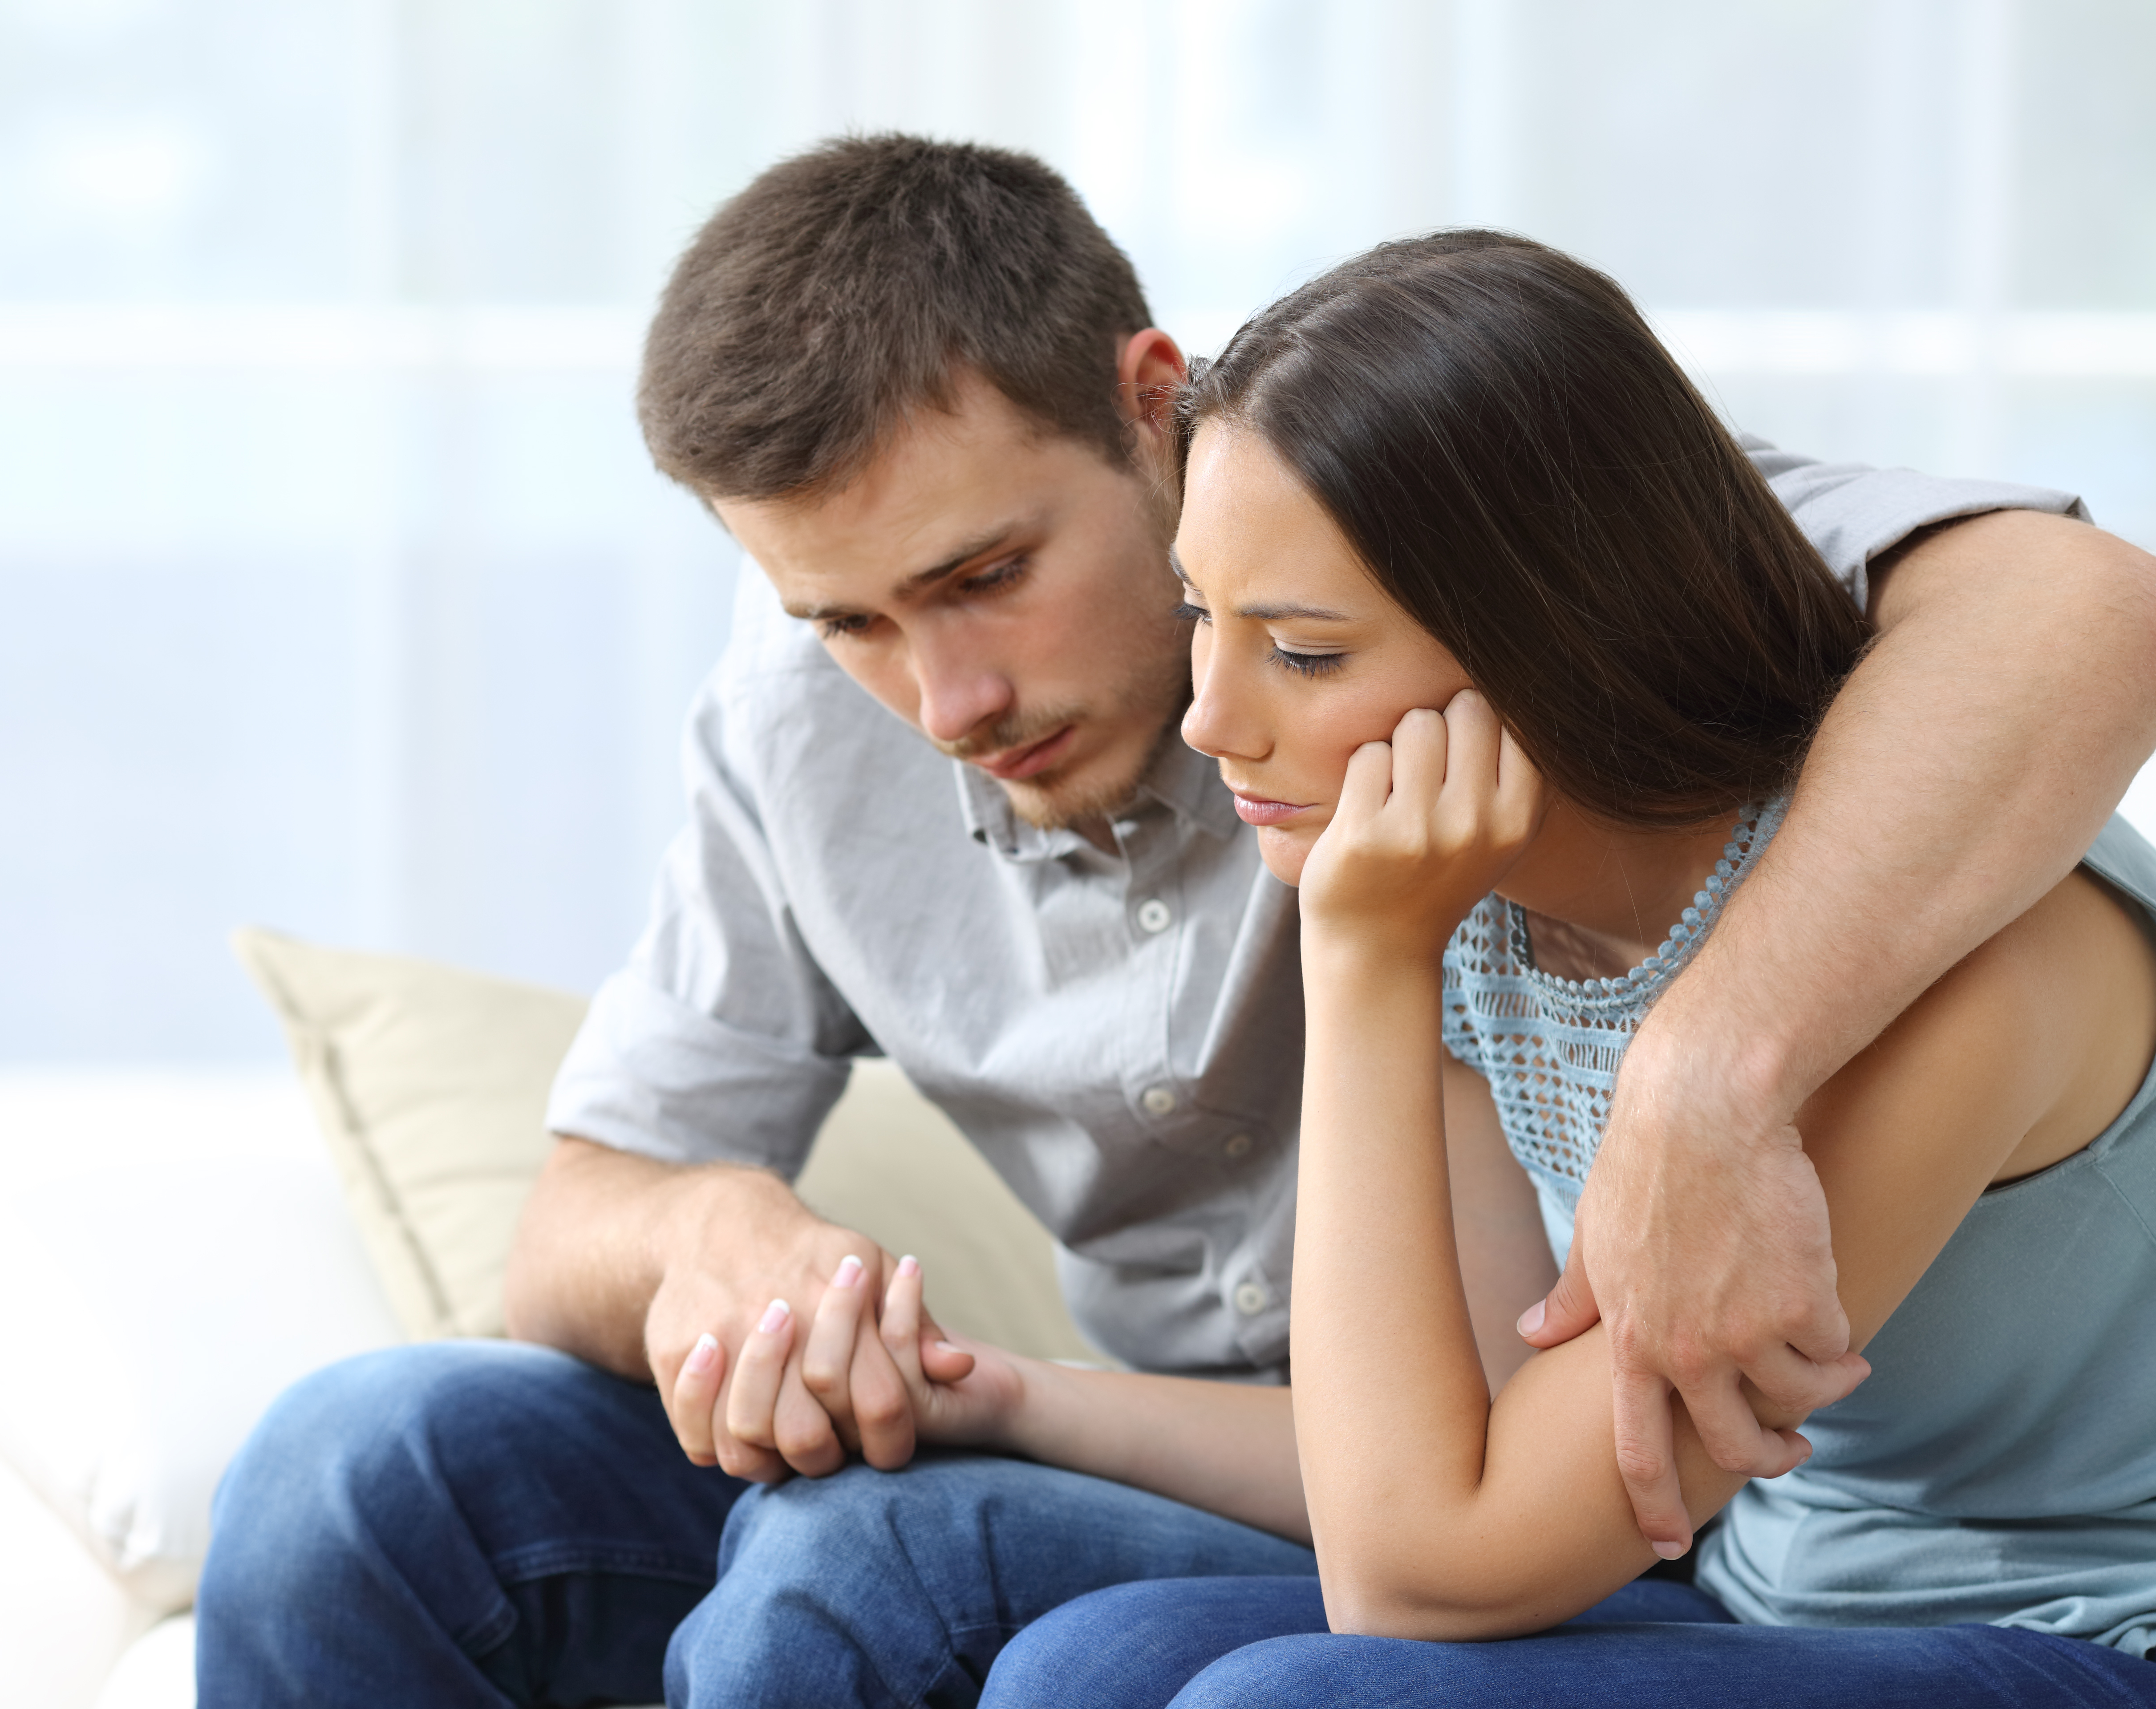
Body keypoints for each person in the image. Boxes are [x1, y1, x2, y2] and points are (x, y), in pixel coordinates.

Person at [191, 138, 2156, 1709]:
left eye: (986, 574)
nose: (943, 704)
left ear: (1150, 412)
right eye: (846, 619)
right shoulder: (1439, 893)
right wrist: (737, 1245)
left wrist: (1710, 1069)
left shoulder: (1459, 524)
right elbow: (587, 1207)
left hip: (1624, 1526)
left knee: (904, 1583)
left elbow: (2073, 607)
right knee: (364, 1470)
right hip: (1385, 1469)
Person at [969, 231, 2156, 1707]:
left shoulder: (1917, 956)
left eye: (1309, 654)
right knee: (1080, 1669)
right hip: (1753, 1595)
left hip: (2087, 1634)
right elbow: (1423, 1465)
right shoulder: (1477, 907)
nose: (1210, 720)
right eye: (1204, 616)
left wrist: (1356, 968)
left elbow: (1421, 1576)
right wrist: (1011, 1395)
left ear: (1560, 635)